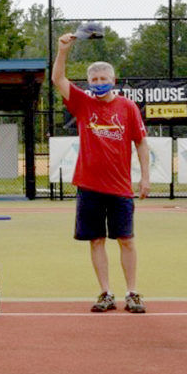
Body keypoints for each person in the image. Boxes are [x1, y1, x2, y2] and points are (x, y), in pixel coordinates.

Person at [51, 31, 150, 313]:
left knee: (126, 239)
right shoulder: (84, 103)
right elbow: (58, 79)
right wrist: (63, 51)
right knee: (95, 240)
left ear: (113, 81)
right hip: (89, 186)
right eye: (93, 80)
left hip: (120, 188)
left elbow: (141, 143)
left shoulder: (127, 107)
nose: (98, 84)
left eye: (103, 79)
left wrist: (145, 177)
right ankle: (106, 293)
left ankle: (132, 293)